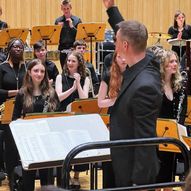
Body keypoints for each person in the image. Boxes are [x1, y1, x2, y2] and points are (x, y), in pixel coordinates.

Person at [109, 20, 162, 187]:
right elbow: (136, 34)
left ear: (125, 45)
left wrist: (140, 185)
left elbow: (145, 139)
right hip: (125, 165)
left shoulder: (144, 86)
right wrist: (111, 10)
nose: (114, 44)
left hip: (135, 175)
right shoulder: (148, 62)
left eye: (115, 40)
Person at [12, 59, 60, 191]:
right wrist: (25, 124)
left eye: (42, 71)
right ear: (29, 72)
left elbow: (58, 116)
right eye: (36, 71)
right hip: (29, 141)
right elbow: (14, 119)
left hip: (47, 141)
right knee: (28, 181)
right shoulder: (22, 93)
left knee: (47, 181)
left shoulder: (51, 93)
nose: (39, 74)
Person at [156, 50, 187, 191]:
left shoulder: (178, 86)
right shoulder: (155, 85)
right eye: (171, 61)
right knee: (157, 174)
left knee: (169, 172)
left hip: (172, 134)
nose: (175, 64)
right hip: (157, 134)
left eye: (176, 61)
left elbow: (180, 112)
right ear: (163, 65)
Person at [0, 38, 27, 190]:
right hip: (6, 110)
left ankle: (23, 177)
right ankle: (11, 178)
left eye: (21, 47)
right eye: (15, 47)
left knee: (23, 145)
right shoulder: (2, 68)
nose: (18, 49)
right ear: (9, 49)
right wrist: (16, 92)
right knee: (10, 146)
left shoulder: (27, 67)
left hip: (24, 110)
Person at [98, 52, 127, 188]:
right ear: (115, 58)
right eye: (120, 56)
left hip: (130, 119)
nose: (123, 59)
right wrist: (117, 99)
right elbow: (100, 102)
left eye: (125, 56)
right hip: (114, 119)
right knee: (112, 158)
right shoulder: (108, 75)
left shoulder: (133, 74)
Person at [55, 0, 82, 69]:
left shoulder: (77, 20)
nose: (66, 11)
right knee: (64, 69)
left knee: (74, 68)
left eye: (67, 8)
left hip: (73, 48)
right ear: (61, 8)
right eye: (64, 9)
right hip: (62, 48)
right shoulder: (58, 21)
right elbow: (55, 36)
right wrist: (58, 29)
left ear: (70, 8)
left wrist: (72, 26)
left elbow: (80, 36)